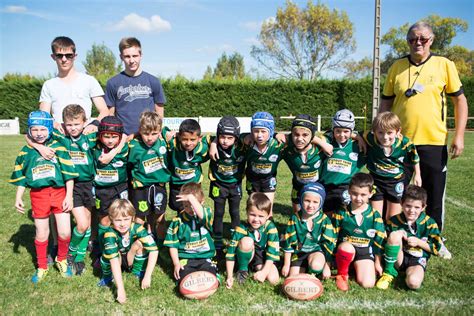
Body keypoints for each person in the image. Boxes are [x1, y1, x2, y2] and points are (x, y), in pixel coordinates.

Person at [379, 21, 469, 231]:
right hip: (400, 143)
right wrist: (380, 131)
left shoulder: (444, 64)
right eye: (412, 39)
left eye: (423, 39)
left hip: (433, 143)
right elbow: (385, 102)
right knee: (395, 191)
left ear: (432, 40)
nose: (417, 42)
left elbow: (460, 101)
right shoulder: (396, 67)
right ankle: (394, 232)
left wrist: (459, 136)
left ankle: (434, 236)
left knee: (433, 193)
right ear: (407, 41)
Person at [10, 111, 78, 283]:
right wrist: (19, 196)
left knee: (64, 232)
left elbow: (69, 174)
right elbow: (22, 176)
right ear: (29, 131)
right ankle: (42, 266)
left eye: (42, 129)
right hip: (38, 196)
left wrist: (69, 196)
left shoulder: (60, 147)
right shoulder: (25, 152)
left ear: (49, 129)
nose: (39, 133)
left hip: (59, 192)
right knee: (42, 234)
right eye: (34, 130)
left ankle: (61, 259)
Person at [54, 104, 97, 275]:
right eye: (69, 124)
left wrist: (97, 124)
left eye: (77, 124)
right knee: (82, 224)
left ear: (84, 122)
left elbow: (114, 131)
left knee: (86, 223)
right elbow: (34, 134)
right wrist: (54, 125)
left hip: (90, 184)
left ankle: (79, 259)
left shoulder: (90, 137)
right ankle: (69, 254)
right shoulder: (61, 138)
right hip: (72, 185)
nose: (73, 128)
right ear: (64, 124)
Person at [376, 185, 443, 290]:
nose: (411, 210)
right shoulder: (394, 221)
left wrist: (419, 242)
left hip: (418, 259)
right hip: (398, 258)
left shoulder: (430, 223)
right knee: (394, 235)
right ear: (401, 204)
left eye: (417, 207)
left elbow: (436, 249)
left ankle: (409, 273)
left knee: (413, 283)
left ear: (423, 207)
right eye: (408, 206)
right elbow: (383, 242)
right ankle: (388, 273)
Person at [39, 36, 108, 134]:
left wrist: (94, 124)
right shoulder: (48, 85)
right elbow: (43, 115)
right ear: (53, 57)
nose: (64, 59)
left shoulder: (89, 80)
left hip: (84, 136)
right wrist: (54, 124)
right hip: (59, 137)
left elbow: (104, 110)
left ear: (75, 56)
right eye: (59, 55)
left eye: (68, 55)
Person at [98, 199, 158, 304]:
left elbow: (154, 250)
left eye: (126, 219)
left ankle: (137, 271)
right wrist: (120, 289)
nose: (122, 224)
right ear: (111, 220)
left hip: (130, 256)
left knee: (140, 243)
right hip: (116, 259)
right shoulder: (109, 233)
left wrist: (148, 276)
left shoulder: (138, 228)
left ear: (133, 218)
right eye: (118, 220)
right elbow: (113, 259)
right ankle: (108, 276)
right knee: (109, 254)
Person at [332, 173, 385, 291]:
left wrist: (377, 262)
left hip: (364, 251)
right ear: (349, 192)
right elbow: (332, 236)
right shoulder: (341, 212)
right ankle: (342, 274)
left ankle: (354, 267)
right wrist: (328, 261)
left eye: (363, 194)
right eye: (355, 193)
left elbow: (379, 240)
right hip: (345, 249)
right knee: (347, 247)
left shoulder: (374, 215)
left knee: (368, 283)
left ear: (370, 194)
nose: (358, 198)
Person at [363, 112, 421, 221]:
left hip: (396, 182)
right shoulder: (370, 138)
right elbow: (354, 133)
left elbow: (415, 158)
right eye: (380, 132)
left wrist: (417, 175)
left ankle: (391, 237)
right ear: (374, 131)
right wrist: (359, 138)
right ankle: (377, 237)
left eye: (389, 133)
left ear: (398, 131)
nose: (385, 137)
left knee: (392, 218)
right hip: (376, 180)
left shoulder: (405, 142)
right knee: (376, 217)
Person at [106, 37, 166, 136]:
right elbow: (110, 114)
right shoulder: (112, 83)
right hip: (123, 137)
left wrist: (157, 131)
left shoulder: (153, 81)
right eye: (127, 56)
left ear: (141, 55)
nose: (132, 60)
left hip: (147, 137)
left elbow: (159, 112)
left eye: (135, 56)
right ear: (121, 57)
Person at [128, 111, 171, 243]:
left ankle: (160, 245)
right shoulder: (133, 145)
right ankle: (137, 244)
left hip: (159, 186)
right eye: (146, 134)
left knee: (159, 217)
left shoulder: (164, 142)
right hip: (141, 188)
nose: (150, 138)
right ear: (140, 130)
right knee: (140, 218)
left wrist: (165, 132)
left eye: (154, 134)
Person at [164, 183, 218, 282]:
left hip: (205, 256)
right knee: (183, 276)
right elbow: (172, 245)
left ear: (202, 202)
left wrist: (190, 198)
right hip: (186, 258)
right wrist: (176, 263)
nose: (190, 208)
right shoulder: (177, 221)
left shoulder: (207, 214)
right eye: (186, 205)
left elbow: (201, 214)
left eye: (193, 204)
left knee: (210, 275)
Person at [208, 116, 247, 253]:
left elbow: (251, 137)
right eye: (222, 137)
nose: (225, 141)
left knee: (234, 211)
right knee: (218, 212)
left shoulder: (242, 146)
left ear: (236, 138)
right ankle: (217, 239)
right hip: (218, 184)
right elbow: (203, 137)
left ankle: (235, 238)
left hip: (235, 184)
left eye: (230, 138)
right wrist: (213, 143)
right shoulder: (213, 143)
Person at [281, 183, 336, 278]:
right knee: (293, 277)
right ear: (301, 200)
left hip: (316, 252)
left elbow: (329, 245)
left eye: (315, 202)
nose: (310, 205)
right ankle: (304, 268)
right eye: (307, 200)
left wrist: (327, 266)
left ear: (321, 203)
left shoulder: (325, 220)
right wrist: (286, 265)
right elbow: (288, 243)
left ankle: (313, 270)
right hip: (299, 253)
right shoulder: (295, 219)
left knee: (316, 265)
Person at [225, 193, 280, 288]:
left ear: (267, 216)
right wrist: (229, 277)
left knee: (273, 279)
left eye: (261, 216)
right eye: (252, 215)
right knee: (247, 241)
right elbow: (230, 254)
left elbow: (272, 253)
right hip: (249, 251)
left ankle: (256, 267)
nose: (256, 219)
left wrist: (264, 272)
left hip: (263, 256)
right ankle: (242, 270)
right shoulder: (241, 228)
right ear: (246, 212)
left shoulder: (271, 228)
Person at [92, 116, 129, 251]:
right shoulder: (94, 147)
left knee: (122, 219)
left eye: (114, 137)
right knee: (105, 220)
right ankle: (104, 249)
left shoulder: (125, 148)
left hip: (120, 188)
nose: (110, 140)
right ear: (100, 136)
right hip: (102, 191)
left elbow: (127, 136)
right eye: (106, 136)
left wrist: (114, 151)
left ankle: (123, 247)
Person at [320, 109, 366, 214]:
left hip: (345, 187)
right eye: (338, 131)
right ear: (333, 130)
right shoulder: (326, 142)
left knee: (344, 215)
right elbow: (313, 137)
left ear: (352, 131)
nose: (341, 135)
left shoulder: (357, 146)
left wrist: (359, 137)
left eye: (346, 131)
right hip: (325, 185)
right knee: (327, 216)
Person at [281, 114, 328, 213]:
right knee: (297, 216)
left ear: (312, 136)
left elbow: (339, 132)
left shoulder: (320, 147)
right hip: (297, 187)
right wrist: (275, 134)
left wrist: (323, 144)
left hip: (317, 187)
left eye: (305, 135)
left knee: (315, 216)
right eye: (296, 134)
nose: (300, 139)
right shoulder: (286, 148)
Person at [244, 112, 285, 217]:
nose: (259, 135)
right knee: (253, 208)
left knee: (268, 209)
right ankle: (253, 231)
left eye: (263, 131)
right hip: (252, 179)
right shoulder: (246, 141)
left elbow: (298, 137)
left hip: (268, 179)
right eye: (256, 131)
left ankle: (269, 232)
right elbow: (228, 135)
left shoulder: (277, 144)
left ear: (270, 132)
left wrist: (276, 134)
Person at [167, 119, 210, 212]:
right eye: (185, 139)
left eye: (192, 139)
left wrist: (214, 145)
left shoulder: (203, 149)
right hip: (176, 183)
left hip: (194, 183)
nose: (188, 143)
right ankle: (181, 225)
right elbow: (161, 130)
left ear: (199, 138)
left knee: (193, 206)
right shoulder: (173, 144)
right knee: (176, 205)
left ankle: (194, 225)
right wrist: (168, 133)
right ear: (178, 136)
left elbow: (215, 138)